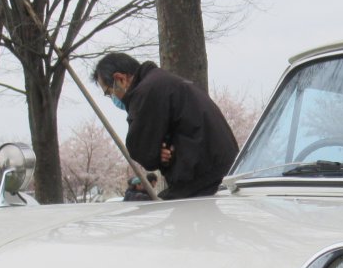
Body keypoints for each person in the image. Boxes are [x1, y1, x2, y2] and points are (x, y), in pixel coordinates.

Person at [92, 53, 239, 200]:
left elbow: (141, 150)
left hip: (202, 182)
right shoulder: (164, 81)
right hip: (222, 171)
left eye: (108, 92)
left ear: (120, 79)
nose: (112, 97)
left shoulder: (147, 91)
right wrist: (161, 149)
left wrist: (157, 152)